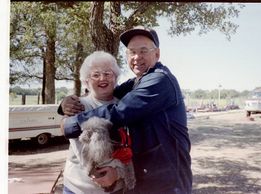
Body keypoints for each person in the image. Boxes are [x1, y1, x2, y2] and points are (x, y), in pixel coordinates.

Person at [60, 26, 193, 194]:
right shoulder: (137, 82)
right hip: (144, 179)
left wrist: (70, 124)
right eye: (132, 52)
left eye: (143, 51)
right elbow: (105, 92)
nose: (137, 57)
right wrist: (66, 103)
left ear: (157, 54)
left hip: (167, 181)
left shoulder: (159, 80)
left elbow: (119, 111)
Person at [62, 51, 134, 194]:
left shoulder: (124, 105)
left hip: (117, 188)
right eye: (96, 75)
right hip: (80, 188)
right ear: (86, 81)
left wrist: (118, 173)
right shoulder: (77, 106)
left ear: (115, 77)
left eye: (108, 73)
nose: (102, 78)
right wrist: (107, 174)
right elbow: (83, 153)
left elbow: (129, 144)